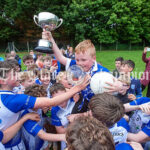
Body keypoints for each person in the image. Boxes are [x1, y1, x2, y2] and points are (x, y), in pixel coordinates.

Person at [0, 60, 89, 149]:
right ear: (2, 81)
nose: (18, 76)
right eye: (14, 74)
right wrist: (78, 88)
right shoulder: (13, 99)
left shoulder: (8, 96)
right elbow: (52, 102)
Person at [42, 30, 109, 111]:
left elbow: (111, 92)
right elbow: (60, 57)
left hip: (96, 108)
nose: (80, 63)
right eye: (77, 59)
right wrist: (50, 38)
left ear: (94, 58)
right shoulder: (75, 65)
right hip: (77, 103)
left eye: (83, 60)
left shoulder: (103, 72)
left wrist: (118, 86)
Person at [22, 84, 66, 150]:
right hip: (32, 143)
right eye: (41, 100)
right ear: (33, 102)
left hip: (42, 138)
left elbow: (48, 116)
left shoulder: (39, 108)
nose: (45, 101)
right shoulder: (26, 116)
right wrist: (64, 137)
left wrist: (47, 112)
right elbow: (43, 135)